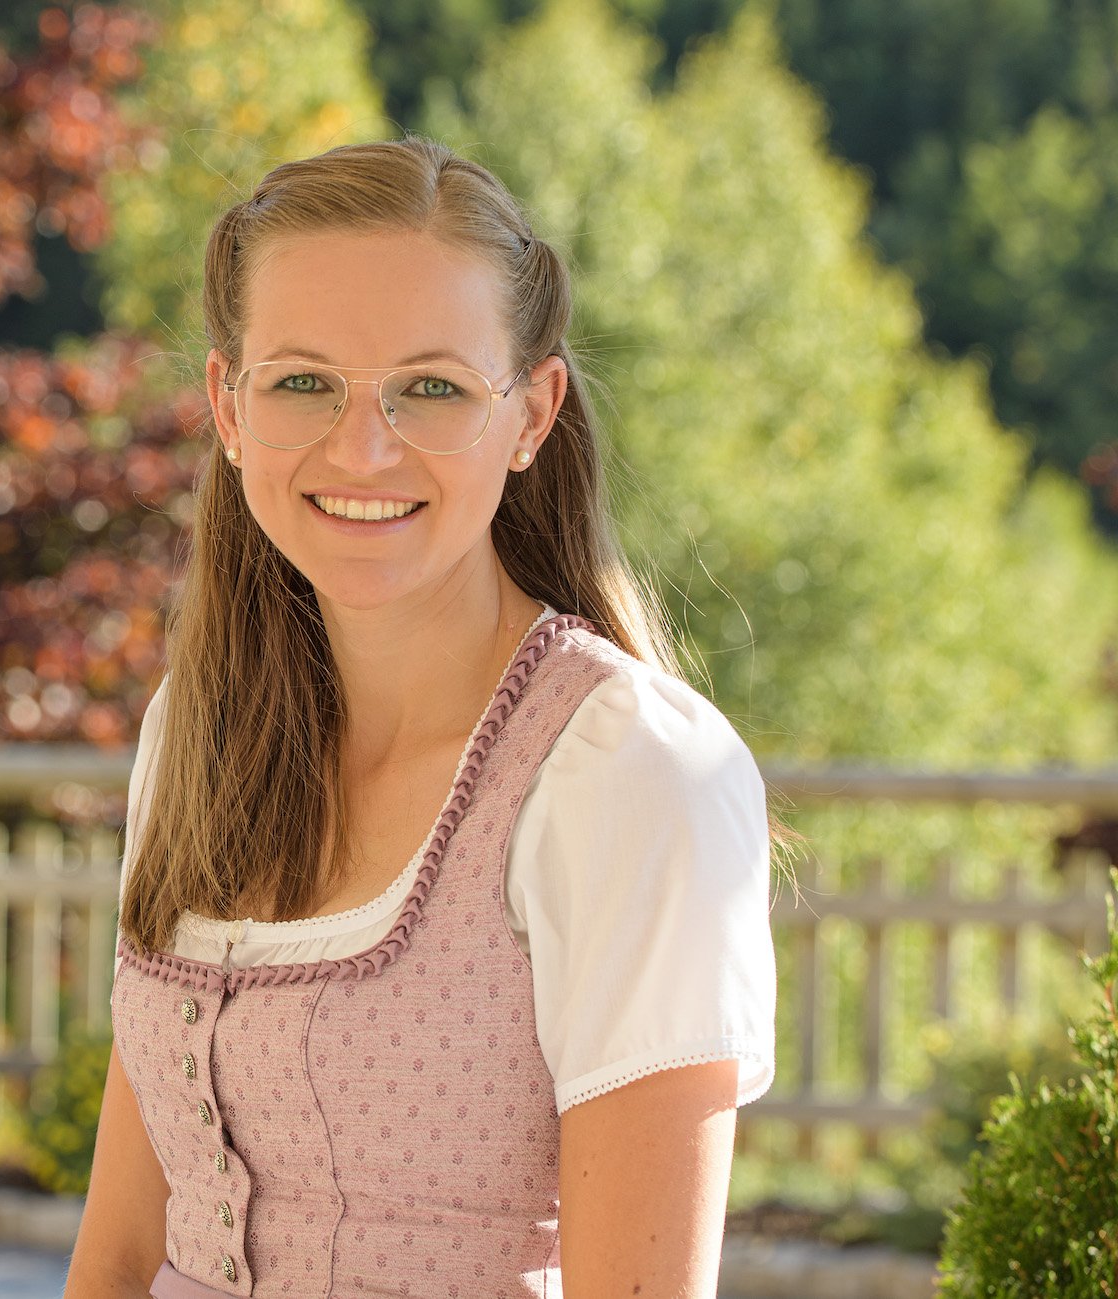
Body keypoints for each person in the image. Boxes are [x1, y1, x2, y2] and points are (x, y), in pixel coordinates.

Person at [64, 135, 792, 1299]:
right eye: (302, 380)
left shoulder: (625, 774)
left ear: (530, 413)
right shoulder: (196, 731)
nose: (362, 447)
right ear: (226, 405)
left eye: (431, 388)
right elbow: (114, 1258)